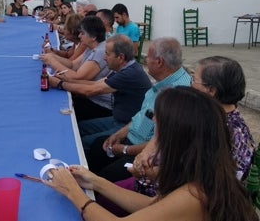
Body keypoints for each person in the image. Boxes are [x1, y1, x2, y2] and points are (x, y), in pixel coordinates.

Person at [44, 86, 258, 221]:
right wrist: (95, 181)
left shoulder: (195, 195)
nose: (154, 120)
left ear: (176, 136)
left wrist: (72, 191)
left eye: (159, 119)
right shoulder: (203, 170)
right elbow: (152, 205)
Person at [129, 55, 256, 199]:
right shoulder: (206, 113)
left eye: (194, 80)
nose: (190, 85)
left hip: (165, 199)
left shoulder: (224, 132)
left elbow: (199, 184)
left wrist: (149, 172)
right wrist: (147, 151)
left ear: (211, 90)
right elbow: (162, 133)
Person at [85, 37, 190, 182]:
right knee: (98, 147)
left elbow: (161, 143)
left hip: (146, 155)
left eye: (148, 57)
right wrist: (119, 134)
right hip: (131, 139)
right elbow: (142, 115)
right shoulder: (163, 83)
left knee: (106, 176)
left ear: (159, 62)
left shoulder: (178, 94)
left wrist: (124, 149)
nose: (145, 60)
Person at [50, 35, 151, 150]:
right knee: (80, 128)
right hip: (118, 118)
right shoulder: (125, 68)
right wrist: (68, 80)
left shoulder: (129, 74)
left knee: (83, 143)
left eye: (107, 54)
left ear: (121, 57)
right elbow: (95, 84)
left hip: (126, 125)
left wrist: (59, 84)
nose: (104, 58)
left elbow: (90, 91)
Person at [44, 17, 114, 122]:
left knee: (56, 112)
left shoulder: (99, 52)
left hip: (99, 103)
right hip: (88, 96)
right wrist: (51, 55)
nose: (79, 35)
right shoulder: (91, 47)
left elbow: (77, 76)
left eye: (82, 33)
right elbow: (72, 65)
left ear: (93, 37)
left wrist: (52, 62)